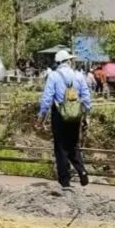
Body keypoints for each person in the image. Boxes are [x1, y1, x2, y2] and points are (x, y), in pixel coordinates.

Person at [37, 49, 92, 191]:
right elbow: (86, 97)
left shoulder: (53, 76)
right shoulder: (78, 75)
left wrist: (41, 118)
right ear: (68, 61)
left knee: (60, 146)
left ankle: (65, 180)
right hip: (75, 114)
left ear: (57, 62)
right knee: (73, 144)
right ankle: (82, 171)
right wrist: (86, 115)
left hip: (60, 114)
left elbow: (47, 99)